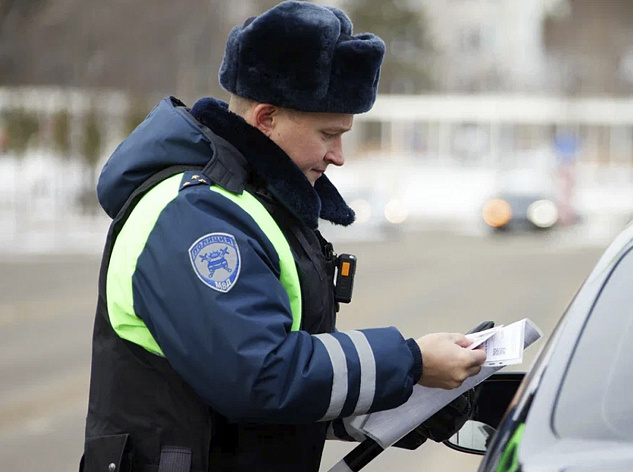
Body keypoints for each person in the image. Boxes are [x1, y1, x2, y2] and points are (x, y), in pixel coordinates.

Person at [81, 2, 487, 471]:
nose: (338, 156)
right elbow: (262, 376)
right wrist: (411, 361)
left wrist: (416, 395)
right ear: (266, 119)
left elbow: (293, 387)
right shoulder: (193, 214)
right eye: (328, 133)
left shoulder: (256, 206)